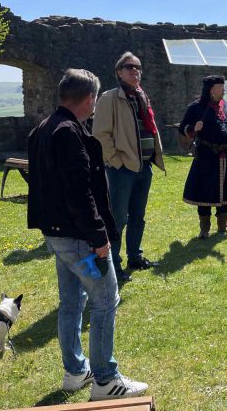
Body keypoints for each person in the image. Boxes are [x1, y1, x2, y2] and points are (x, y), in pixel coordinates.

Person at [28, 69, 148, 401]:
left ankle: (75, 371)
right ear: (89, 99)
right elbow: (80, 193)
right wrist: (99, 238)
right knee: (105, 299)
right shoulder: (67, 132)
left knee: (71, 303)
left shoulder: (44, 128)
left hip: (58, 234)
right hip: (80, 236)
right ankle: (106, 380)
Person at [94, 52, 166, 282]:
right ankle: (114, 264)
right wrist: (116, 162)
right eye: (129, 67)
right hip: (122, 170)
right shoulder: (109, 98)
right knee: (118, 219)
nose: (135, 70)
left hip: (144, 167)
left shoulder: (141, 96)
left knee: (138, 215)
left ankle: (135, 256)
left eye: (138, 67)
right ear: (119, 72)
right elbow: (101, 135)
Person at [179, 75, 227, 238]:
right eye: (221, 87)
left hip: (224, 156)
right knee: (205, 191)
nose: (224, 90)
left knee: (225, 190)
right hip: (206, 156)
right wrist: (193, 128)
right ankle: (204, 229)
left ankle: (222, 225)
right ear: (211, 90)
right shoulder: (196, 108)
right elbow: (183, 128)